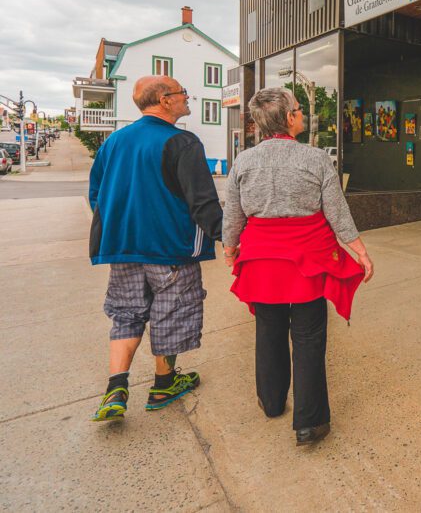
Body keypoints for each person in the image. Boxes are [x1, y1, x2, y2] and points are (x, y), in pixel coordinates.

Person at [222, 88, 373, 447]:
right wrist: (360, 252)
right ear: (289, 119)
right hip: (307, 260)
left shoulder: (243, 162)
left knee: (268, 331)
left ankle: (272, 402)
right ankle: (309, 422)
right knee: (308, 338)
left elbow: (233, 215)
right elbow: (338, 213)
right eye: (299, 110)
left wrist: (230, 251)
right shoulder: (316, 158)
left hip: (261, 261)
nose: (303, 114)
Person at [89, 76, 223, 422]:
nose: (186, 98)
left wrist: (118, 229)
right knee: (172, 312)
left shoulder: (113, 142)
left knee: (126, 313)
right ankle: (164, 382)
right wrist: (228, 235)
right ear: (165, 100)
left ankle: (116, 389)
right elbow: (202, 201)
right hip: (170, 248)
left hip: (123, 248)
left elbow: (96, 195)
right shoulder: (182, 141)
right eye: (182, 93)